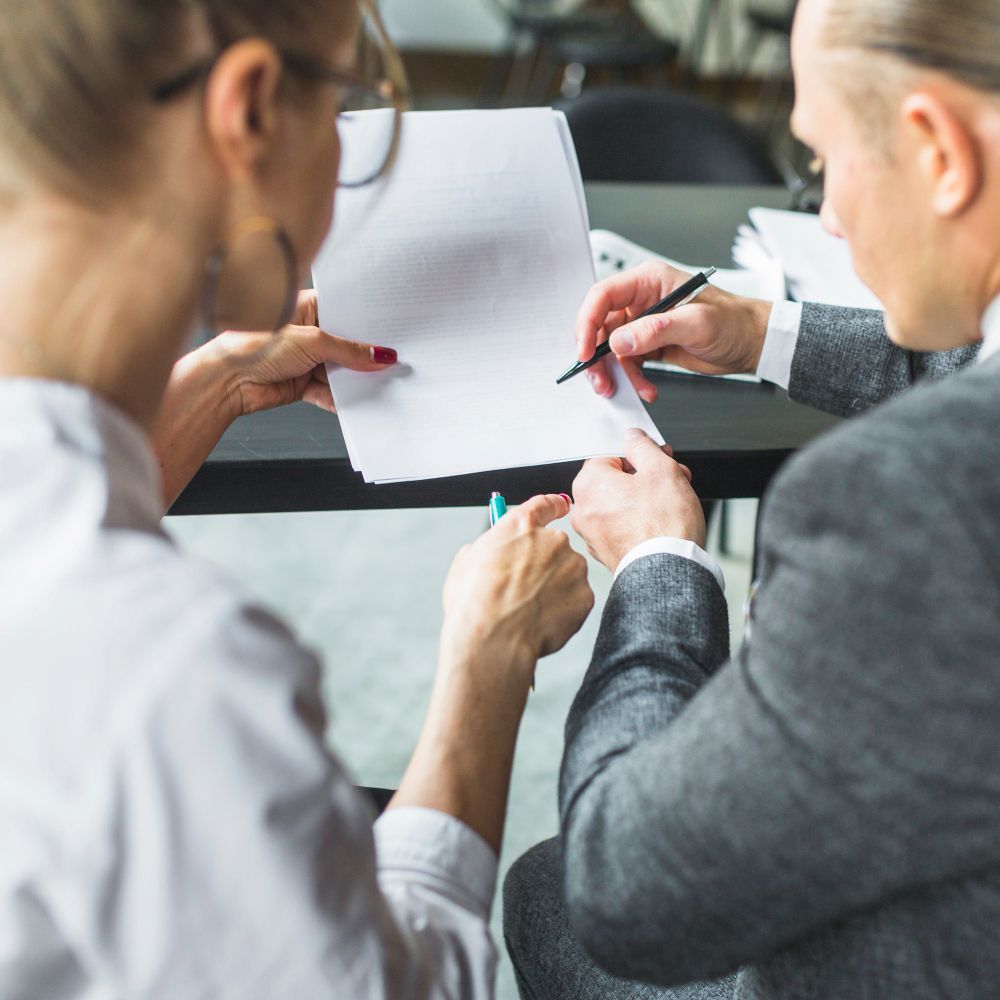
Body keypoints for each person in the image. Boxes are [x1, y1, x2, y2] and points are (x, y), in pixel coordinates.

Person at [0, 2, 594, 997]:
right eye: (352, 115)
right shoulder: (179, 675)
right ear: (253, 113)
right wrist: (487, 660)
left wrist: (218, 384)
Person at [504, 0, 1000, 997]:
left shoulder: (906, 507)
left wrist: (659, 569)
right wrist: (762, 333)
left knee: (551, 889)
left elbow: (630, 892)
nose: (828, 217)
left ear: (938, 150)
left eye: (820, 164)